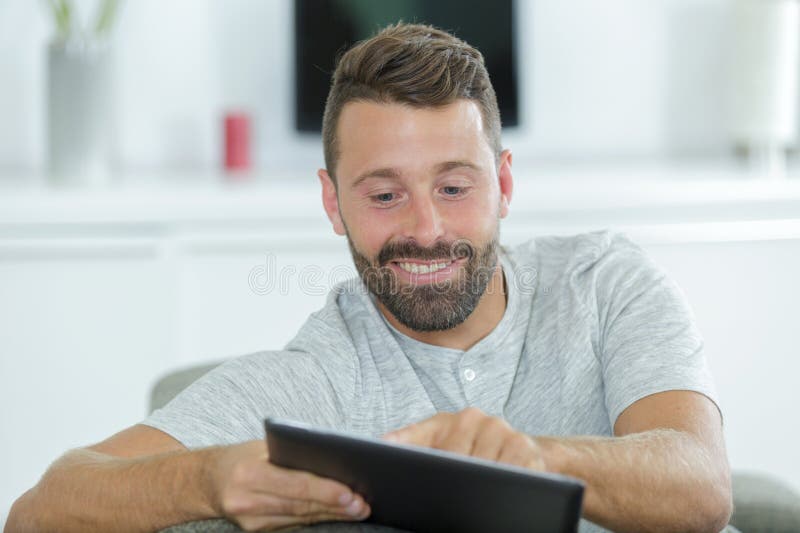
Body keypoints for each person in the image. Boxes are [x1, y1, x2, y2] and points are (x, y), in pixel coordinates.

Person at [6, 23, 733, 533]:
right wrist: (204, 478)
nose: (425, 228)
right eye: (384, 195)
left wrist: (534, 458)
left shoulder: (606, 281)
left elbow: (701, 487)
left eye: (455, 186)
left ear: (505, 184)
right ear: (332, 203)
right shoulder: (315, 377)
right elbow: (40, 509)